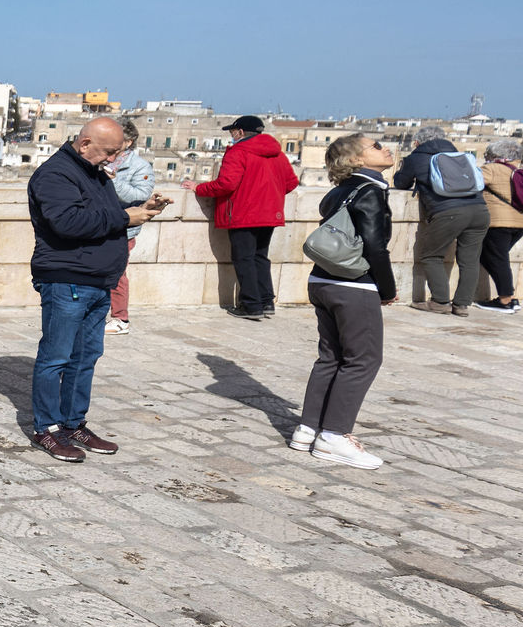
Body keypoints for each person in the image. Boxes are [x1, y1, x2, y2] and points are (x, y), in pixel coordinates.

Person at [27, 118, 169, 462]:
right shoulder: (56, 174)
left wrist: (141, 210)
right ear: (85, 143)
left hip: (96, 281)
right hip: (67, 279)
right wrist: (125, 219)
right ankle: (46, 429)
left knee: (85, 358)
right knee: (57, 357)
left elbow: (102, 212)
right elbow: (67, 222)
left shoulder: (91, 171)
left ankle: (73, 423)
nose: (112, 159)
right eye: (108, 151)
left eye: (118, 153)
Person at [290, 134, 396, 471]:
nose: (386, 148)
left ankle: (308, 428)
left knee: (330, 357)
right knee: (363, 360)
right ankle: (334, 435)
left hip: (321, 279)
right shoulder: (371, 190)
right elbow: (375, 246)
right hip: (353, 285)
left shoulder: (339, 190)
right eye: (377, 146)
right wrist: (387, 288)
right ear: (356, 159)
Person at [194, 115, 298, 320]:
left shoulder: (238, 152)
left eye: (232, 132)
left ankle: (251, 305)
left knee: (244, 258)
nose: (231, 136)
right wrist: (268, 196)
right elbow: (291, 182)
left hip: (243, 213)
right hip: (269, 213)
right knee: (260, 257)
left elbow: (226, 184)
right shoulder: (277, 154)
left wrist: (198, 187)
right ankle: (266, 301)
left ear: (240, 132)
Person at [394, 125, 492, 316]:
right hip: (480, 210)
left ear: (417, 142)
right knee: (470, 260)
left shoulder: (416, 157)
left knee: (431, 255)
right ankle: (462, 305)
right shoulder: (462, 157)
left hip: (448, 212)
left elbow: (400, 183)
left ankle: (440, 301)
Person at [105, 118, 155, 336]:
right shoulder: (101, 158)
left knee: (116, 274)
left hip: (122, 228)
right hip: (97, 224)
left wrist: (113, 181)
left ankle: (120, 318)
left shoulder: (140, 167)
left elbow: (140, 195)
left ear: (129, 142)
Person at [476, 139, 522, 314]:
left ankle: (505, 300)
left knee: (497, 259)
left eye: (488, 154)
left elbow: (472, 184)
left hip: (498, 222)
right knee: (492, 257)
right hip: (518, 222)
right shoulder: (518, 170)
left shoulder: (492, 169)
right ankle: (510, 298)